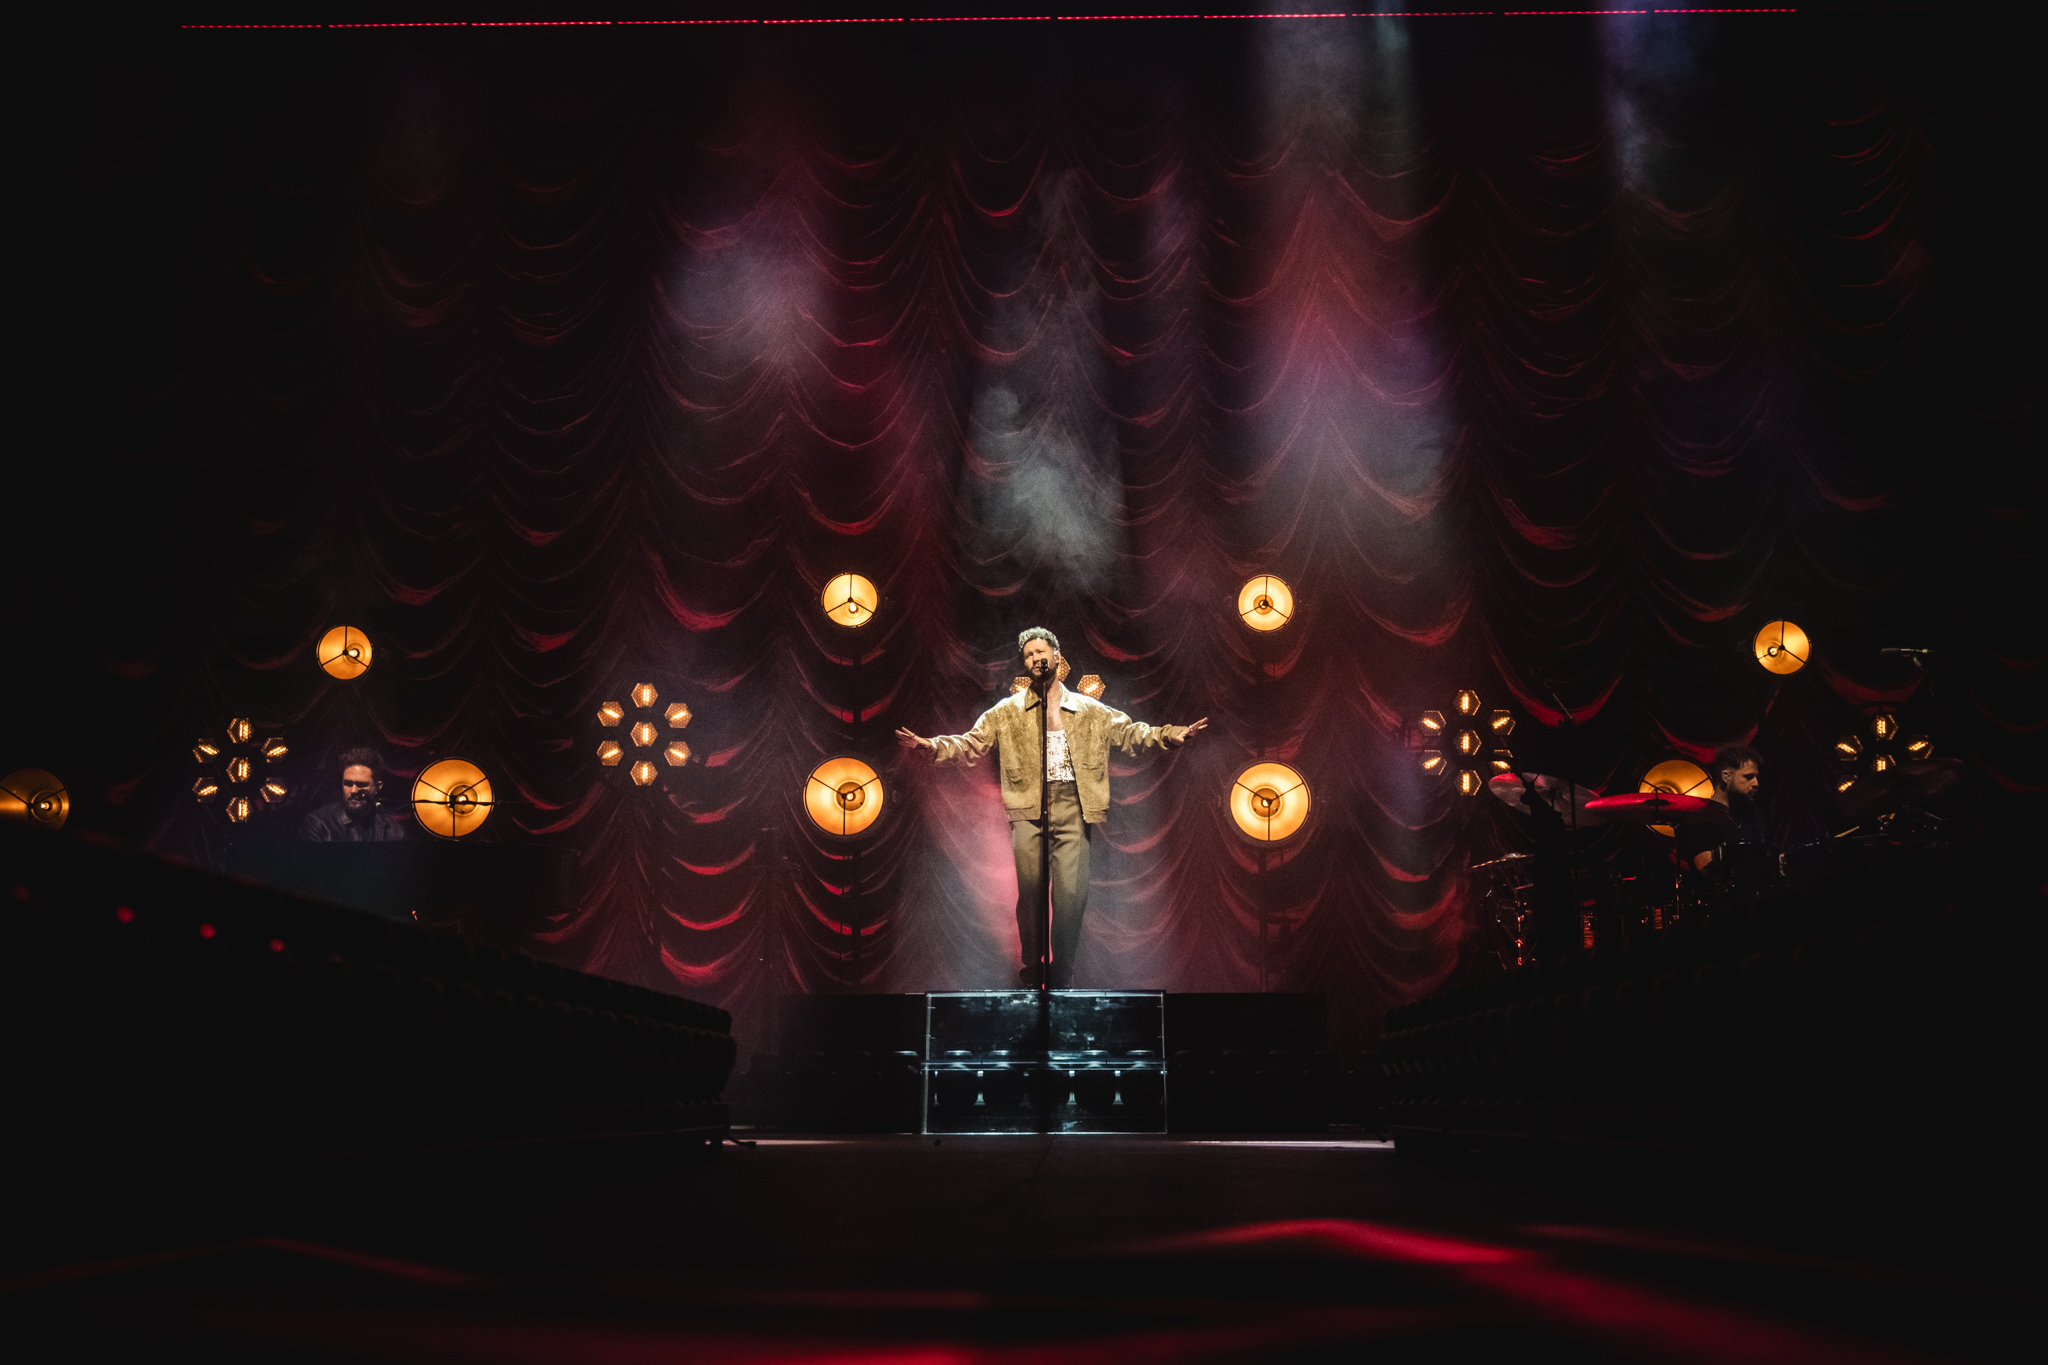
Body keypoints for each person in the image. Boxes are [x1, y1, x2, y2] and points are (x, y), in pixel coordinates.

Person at [897, 628, 1207, 987]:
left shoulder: (1090, 710)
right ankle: (1033, 970)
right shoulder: (1008, 711)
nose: (1035, 659)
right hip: (1028, 808)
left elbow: (1132, 733)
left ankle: (1063, 972)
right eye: (1028, 656)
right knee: (1030, 892)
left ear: (1057, 656)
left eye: (1040, 652)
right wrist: (931, 746)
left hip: (1073, 805)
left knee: (1071, 895)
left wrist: (1172, 734)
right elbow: (972, 743)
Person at [1682, 743, 1764, 872]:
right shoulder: (1699, 816)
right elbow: (1703, 864)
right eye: (1748, 777)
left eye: (1757, 777)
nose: (1756, 784)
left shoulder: (1753, 815)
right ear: (1726, 777)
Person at [299, 747, 410, 842]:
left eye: (361, 784)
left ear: (377, 787)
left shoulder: (395, 833)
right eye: (348, 783)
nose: (353, 791)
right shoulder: (318, 823)